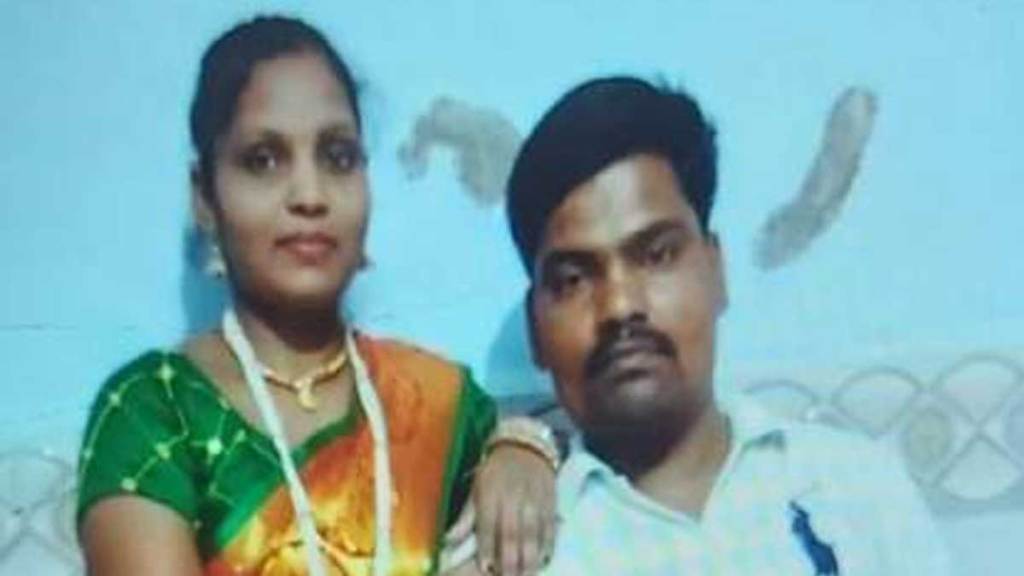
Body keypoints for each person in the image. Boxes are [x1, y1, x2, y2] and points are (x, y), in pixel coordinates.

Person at [77, 16, 558, 576]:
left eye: (337, 156)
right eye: (263, 159)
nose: (310, 194)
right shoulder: (154, 410)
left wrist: (524, 449)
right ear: (205, 197)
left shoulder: (439, 402)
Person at [504, 76, 952, 575]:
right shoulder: (517, 557)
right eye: (572, 279)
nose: (620, 305)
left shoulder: (857, 491)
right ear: (534, 328)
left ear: (716, 270)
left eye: (656, 255)